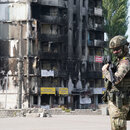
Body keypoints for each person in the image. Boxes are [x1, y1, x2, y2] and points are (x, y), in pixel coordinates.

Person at [102, 35, 130, 130]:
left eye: (117, 49)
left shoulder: (125, 62)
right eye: (113, 50)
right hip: (117, 101)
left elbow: (116, 80)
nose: (114, 52)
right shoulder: (119, 61)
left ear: (125, 47)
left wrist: (105, 71)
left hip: (120, 102)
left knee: (118, 126)